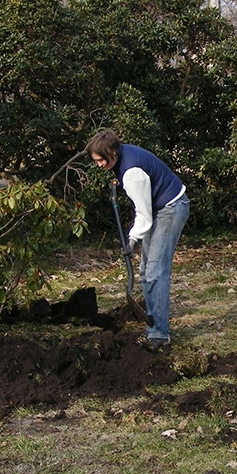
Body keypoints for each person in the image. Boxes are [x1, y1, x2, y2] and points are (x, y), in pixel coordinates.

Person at [87, 129, 190, 349]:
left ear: (113, 152)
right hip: (161, 209)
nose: (99, 165)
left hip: (171, 208)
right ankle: (152, 321)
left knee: (155, 271)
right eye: (96, 161)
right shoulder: (123, 156)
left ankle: (160, 333)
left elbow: (144, 214)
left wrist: (132, 240)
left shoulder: (131, 172)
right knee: (146, 271)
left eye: (101, 160)